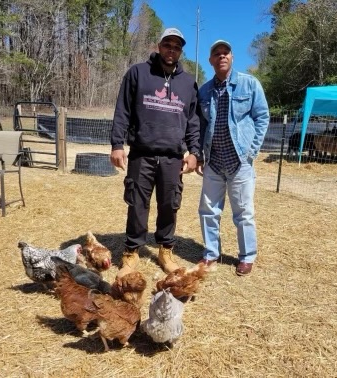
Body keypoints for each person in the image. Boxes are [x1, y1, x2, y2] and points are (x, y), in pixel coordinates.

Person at [110, 28, 200, 275]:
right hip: (142, 153)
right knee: (137, 203)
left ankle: (165, 250)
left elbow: (193, 121)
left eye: (177, 46)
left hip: (173, 156)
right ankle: (131, 252)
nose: (171, 50)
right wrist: (117, 144)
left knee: (170, 204)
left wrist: (194, 152)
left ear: (181, 51)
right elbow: (123, 111)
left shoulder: (188, 82)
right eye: (167, 44)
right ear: (159, 46)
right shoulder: (138, 73)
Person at [196, 40, 270, 276]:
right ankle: (210, 253)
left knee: (244, 213)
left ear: (232, 57)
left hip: (240, 162)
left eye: (225, 53)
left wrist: (252, 151)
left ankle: (247, 256)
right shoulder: (204, 91)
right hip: (214, 162)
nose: (221, 57)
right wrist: (199, 155)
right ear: (211, 60)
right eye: (216, 53)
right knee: (208, 211)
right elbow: (200, 125)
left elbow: (263, 117)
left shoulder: (250, 84)